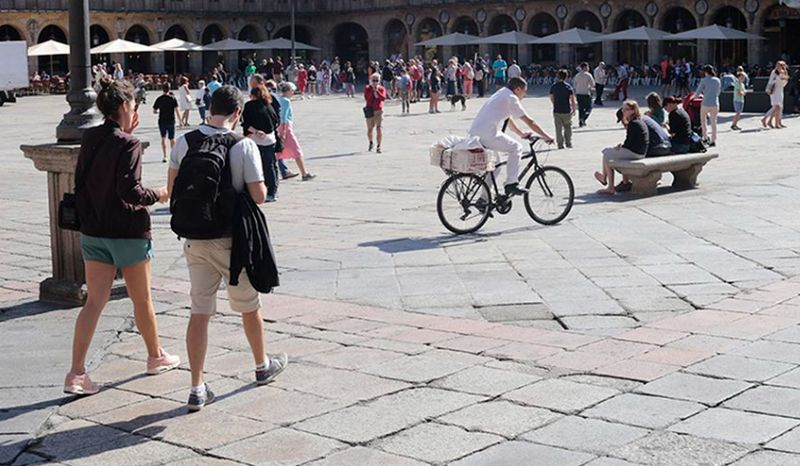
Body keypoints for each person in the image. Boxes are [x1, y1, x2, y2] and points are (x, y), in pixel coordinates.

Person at [167, 85, 288, 411]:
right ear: (238, 114)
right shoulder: (243, 145)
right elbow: (260, 195)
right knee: (249, 306)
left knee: (199, 312)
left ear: (209, 108)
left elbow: (171, 190)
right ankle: (262, 366)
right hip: (232, 241)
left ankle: (196, 388)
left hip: (195, 239)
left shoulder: (184, 141)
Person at [65, 79, 178, 396]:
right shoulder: (128, 144)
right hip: (127, 232)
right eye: (135, 106)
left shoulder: (90, 136)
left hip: (94, 232)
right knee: (142, 300)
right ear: (125, 107)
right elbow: (130, 191)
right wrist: (160, 194)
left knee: (94, 303)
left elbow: (82, 182)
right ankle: (155, 356)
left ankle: (76, 373)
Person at [468, 77, 554, 196]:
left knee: (495, 165)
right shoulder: (511, 98)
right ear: (518, 89)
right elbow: (530, 121)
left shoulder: (502, 93)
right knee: (516, 148)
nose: (525, 94)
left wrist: (520, 133)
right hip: (488, 134)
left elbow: (507, 118)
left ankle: (484, 199)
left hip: (477, 132)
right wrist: (546, 136)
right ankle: (511, 183)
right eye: (524, 91)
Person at [595, 100, 648, 195]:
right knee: (609, 152)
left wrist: (620, 148)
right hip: (640, 152)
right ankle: (606, 179)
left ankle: (609, 186)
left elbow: (629, 143)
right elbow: (632, 141)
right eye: (623, 109)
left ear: (632, 111)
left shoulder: (633, 123)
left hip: (635, 153)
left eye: (625, 109)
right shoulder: (639, 121)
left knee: (606, 153)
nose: (623, 111)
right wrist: (621, 147)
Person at [242, 84, 281, 202]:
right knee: (271, 165)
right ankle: (273, 191)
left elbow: (245, 123)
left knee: (257, 166)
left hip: (256, 139)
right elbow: (276, 121)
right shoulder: (269, 105)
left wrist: (257, 131)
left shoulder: (249, 106)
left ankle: (258, 190)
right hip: (270, 139)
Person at [277, 82, 316, 181]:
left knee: (278, 152)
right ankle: (304, 173)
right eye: (292, 90)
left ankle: (283, 171)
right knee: (296, 150)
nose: (293, 92)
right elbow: (284, 118)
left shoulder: (278, 99)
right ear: (288, 91)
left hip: (278, 127)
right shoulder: (286, 101)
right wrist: (284, 132)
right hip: (286, 127)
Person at [152, 82, 181, 163]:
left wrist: (158, 112)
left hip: (162, 120)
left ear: (162, 89)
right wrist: (180, 121)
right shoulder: (173, 98)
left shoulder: (159, 99)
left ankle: (165, 156)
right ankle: (174, 155)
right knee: (172, 138)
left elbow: (154, 110)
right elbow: (177, 111)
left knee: (163, 138)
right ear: (169, 88)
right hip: (171, 120)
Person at [695, 64, 721, 147]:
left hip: (705, 103)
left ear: (705, 72)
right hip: (715, 103)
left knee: (703, 121)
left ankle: (705, 137)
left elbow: (697, 93)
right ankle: (713, 140)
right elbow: (718, 92)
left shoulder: (703, 80)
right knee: (714, 122)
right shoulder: (717, 80)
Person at [550, 69, 576, 149]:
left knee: (558, 128)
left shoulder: (554, 86)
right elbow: (572, 99)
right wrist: (574, 109)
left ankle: (560, 144)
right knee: (568, 127)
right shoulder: (568, 87)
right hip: (566, 110)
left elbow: (551, 97)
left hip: (557, 110)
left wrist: (554, 103)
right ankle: (568, 142)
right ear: (566, 77)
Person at [762, 60, 789, 129]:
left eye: (780, 65)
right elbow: (771, 82)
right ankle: (766, 119)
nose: (778, 67)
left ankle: (776, 123)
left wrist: (784, 79)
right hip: (774, 91)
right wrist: (779, 79)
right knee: (776, 107)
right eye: (777, 65)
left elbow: (784, 83)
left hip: (780, 90)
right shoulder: (774, 72)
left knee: (779, 108)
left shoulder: (784, 72)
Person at [364, 73, 387, 153]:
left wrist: (377, 91)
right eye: (373, 80)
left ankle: (379, 145)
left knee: (379, 128)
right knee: (370, 129)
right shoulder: (367, 88)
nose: (375, 82)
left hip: (378, 110)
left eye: (377, 80)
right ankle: (371, 142)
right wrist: (372, 91)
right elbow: (367, 99)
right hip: (370, 110)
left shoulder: (382, 88)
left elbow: (383, 98)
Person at [573, 63, 595, 127]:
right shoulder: (588, 75)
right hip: (586, 93)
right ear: (585, 67)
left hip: (579, 93)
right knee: (589, 107)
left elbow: (574, 84)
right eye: (587, 67)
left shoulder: (577, 75)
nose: (588, 68)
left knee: (581, 108)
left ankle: (580, 121)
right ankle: (584, 117)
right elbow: (592, 84)